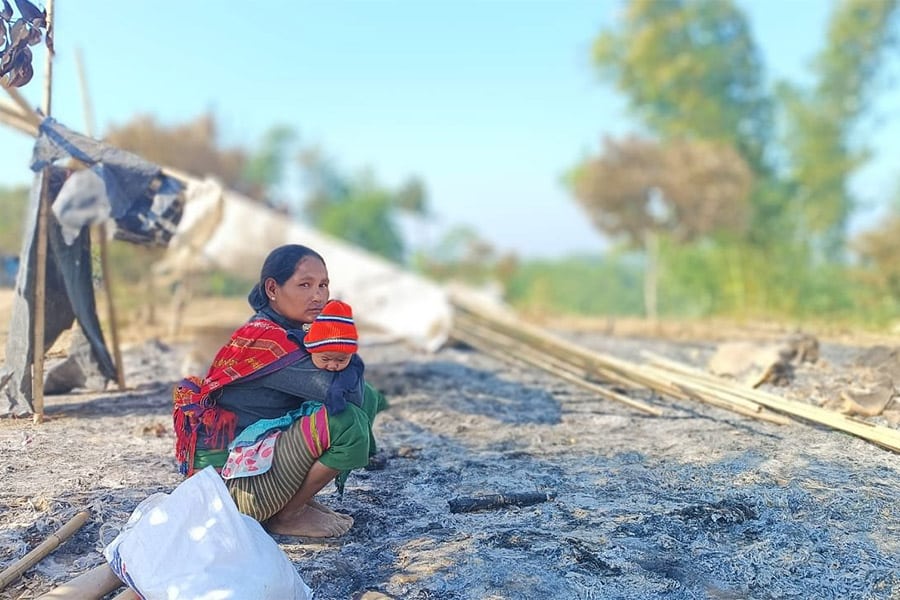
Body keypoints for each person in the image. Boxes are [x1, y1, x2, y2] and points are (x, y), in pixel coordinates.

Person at [173, 244, 387, 538]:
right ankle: (288, 515)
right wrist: (342, 345)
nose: (318, 296)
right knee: (346, 422)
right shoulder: (271, 342)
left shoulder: (284, 330)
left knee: (367, 396)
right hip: (229, 496)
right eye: (305, 285)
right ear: (272, 288)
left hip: (247, 468)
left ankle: (295, 500)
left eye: (323, 285)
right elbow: (348, 396)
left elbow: (361, 394)